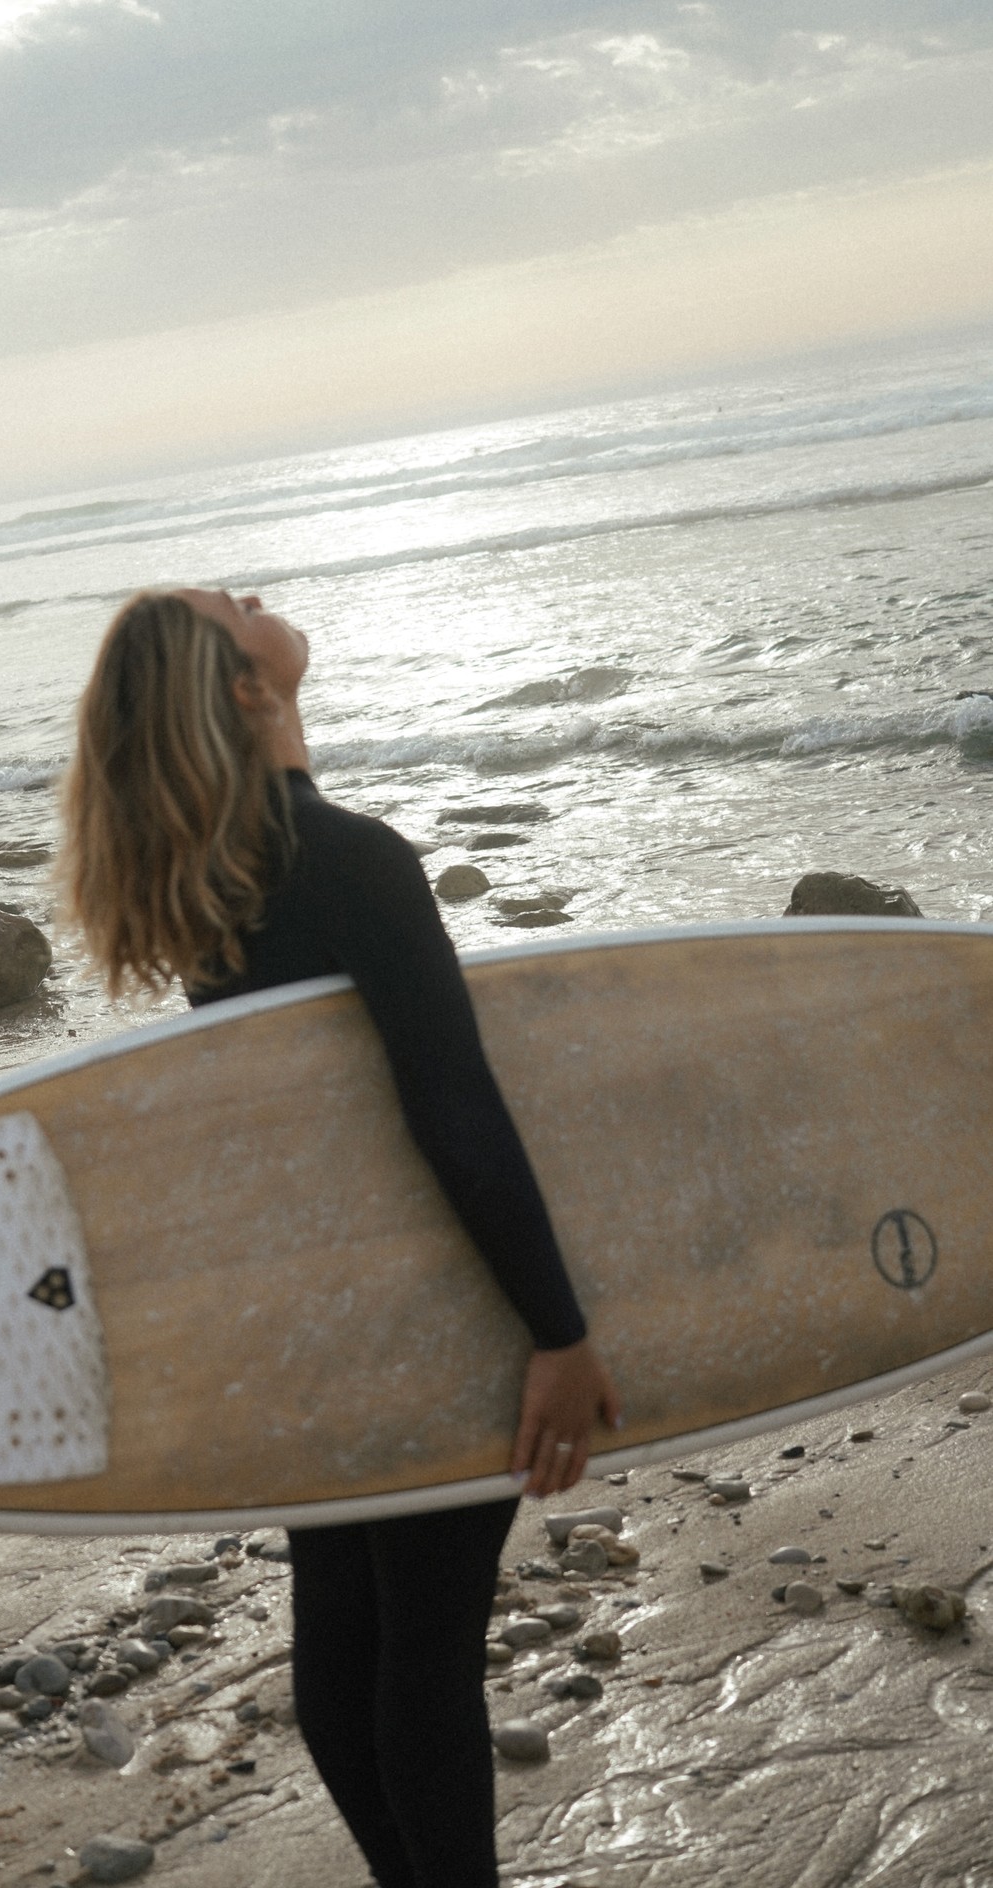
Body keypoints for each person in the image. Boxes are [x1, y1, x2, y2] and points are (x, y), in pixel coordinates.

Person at [59, 588, 620, 1888]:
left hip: (316, 1325)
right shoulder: (348, 861)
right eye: (227, 608)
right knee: (421, 1661)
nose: (252, 595)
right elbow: (451, 1110)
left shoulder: (211, 888)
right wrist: (557, 1331)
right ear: (245, 691)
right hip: (426, 1315)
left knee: (348, 1641)